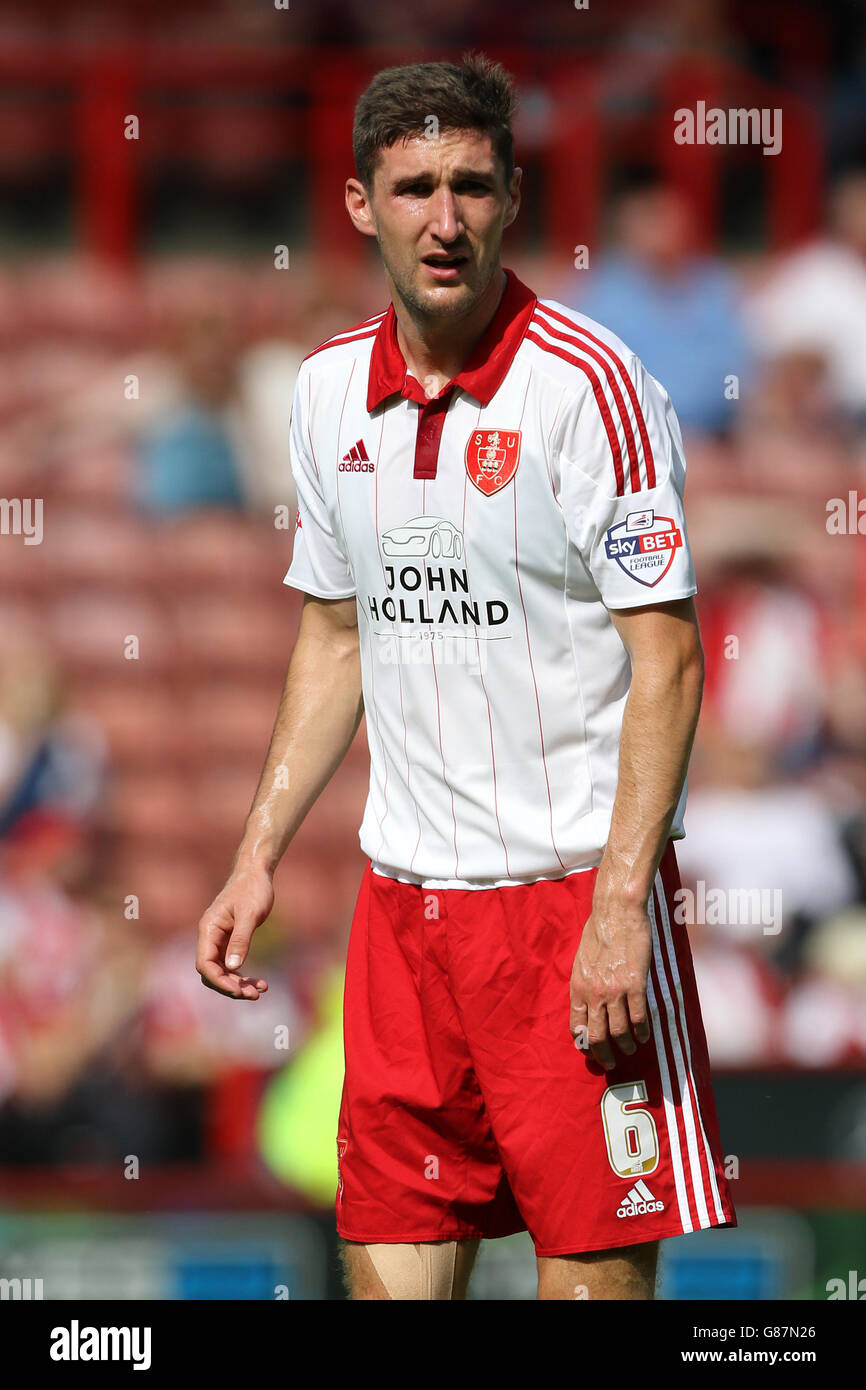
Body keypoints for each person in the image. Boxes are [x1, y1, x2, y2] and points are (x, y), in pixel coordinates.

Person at [195, 54, 736, 1301]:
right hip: (403, 921)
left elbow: (667, 658)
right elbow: (334, 634)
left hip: (567, 917)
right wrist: (256, 849)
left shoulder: (591, 389)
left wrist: (615, 909)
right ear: (356, 203)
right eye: (414, 186)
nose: (444, 219)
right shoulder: (326, 388)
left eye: (472, 187)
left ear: (511, 199)